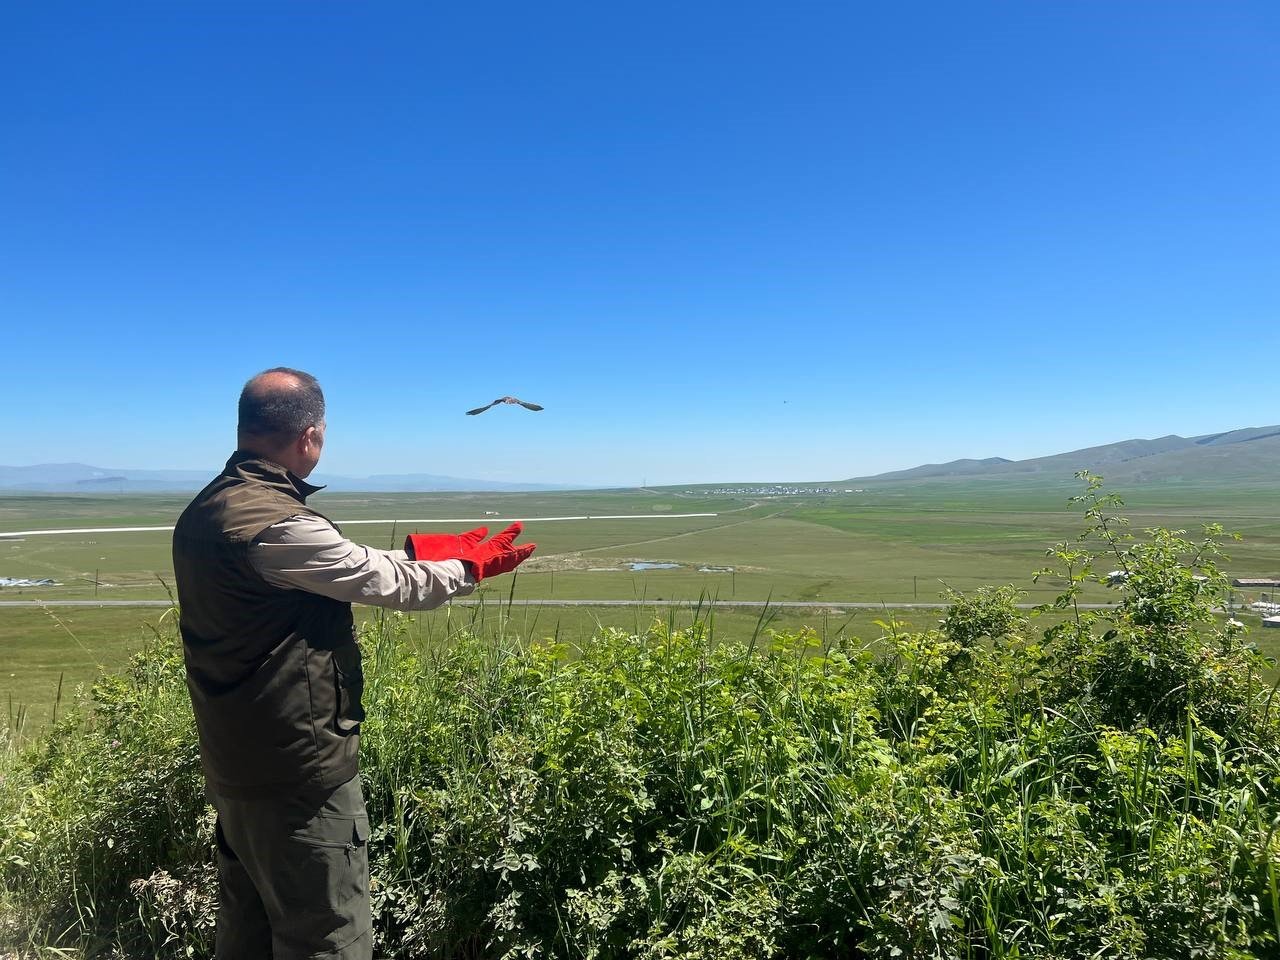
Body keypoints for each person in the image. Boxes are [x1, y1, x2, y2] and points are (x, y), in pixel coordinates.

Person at [172, 367, 534, 959]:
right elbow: (383, 582)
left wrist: (426, 550)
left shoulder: (211, 508)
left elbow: (336, 561)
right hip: (297, 770)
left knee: (250, 930)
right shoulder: (276, 521)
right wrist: (468, 568)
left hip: (237, 762)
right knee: (328, 936)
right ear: (310, 436)